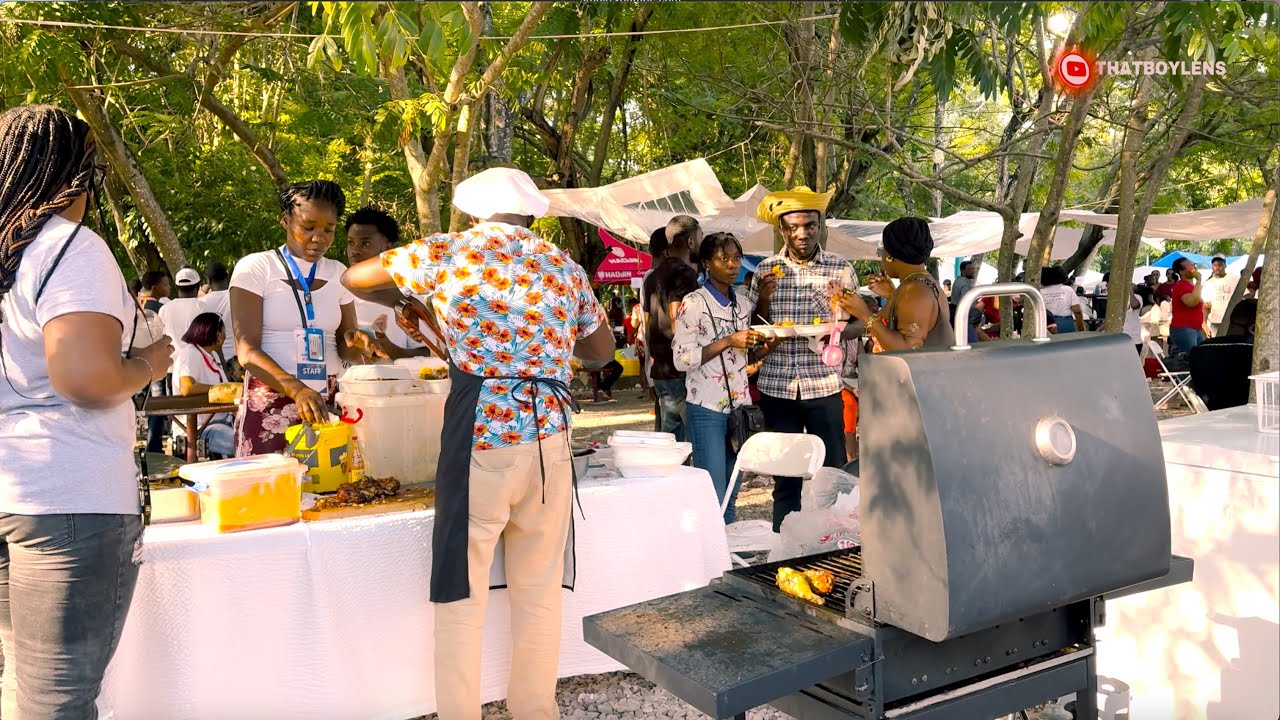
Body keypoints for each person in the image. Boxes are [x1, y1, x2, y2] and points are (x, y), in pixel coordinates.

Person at [341, 166, 614, 720]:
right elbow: (603, 351)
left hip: (480, 437)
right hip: (550, 438)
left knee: (461, 594)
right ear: (531, 213)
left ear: (470, 212)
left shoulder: (449, 252)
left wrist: (423, 295)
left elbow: (355, 278)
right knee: (537, 592)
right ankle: (535, 711)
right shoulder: (563, 265)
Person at [0, 104, 174, 718]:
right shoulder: (68, 247)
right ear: (78, 177)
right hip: (67, 497)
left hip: (12, 490)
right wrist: (153, 359)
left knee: (25, 687)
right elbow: (88, 379)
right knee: (57, 701)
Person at [229, 180, 368, 456]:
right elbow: (246, 351)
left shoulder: (338, 273)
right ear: (285, 221)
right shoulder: (257, 268)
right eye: (308, 227)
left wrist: (360, 343)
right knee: (273, 491)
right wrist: (297, 390)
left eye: (329, 230)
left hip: (326, 402)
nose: (319, 237)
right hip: (272, 399)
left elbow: (346, 347)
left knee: (334, 494)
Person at [748, 187, 855, 532]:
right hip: (778, 387)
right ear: (782, 230)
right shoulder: (766, 269)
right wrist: (764, 301)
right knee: (786, 479)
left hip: (823, 384)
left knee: (834, 473)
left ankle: (836, 543)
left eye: (809, 225)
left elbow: (855, 324)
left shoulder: (840, 269)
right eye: (793, 227)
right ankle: (784, 550)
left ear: (820, 224)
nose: (802, 233)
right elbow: (752, 327)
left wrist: (836, 325)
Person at [673, 232, 775, 524]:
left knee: (731, 493)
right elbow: (681, 360)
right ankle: (709, 561)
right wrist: (729, 340)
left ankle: (725, 561)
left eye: (736, 258)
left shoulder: (741, 303)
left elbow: (747, 351)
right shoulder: (694, 303)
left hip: (740, 408)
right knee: (712, 493)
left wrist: (764, 310)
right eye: (724, 258)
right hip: (706, 408)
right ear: (707, 263)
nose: (732, 265)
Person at [836, 216, 953, 354]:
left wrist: (864, 313)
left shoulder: (916, 292)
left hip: (915, 374)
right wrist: (892, 295)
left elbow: (908, 350)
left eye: (882, 251)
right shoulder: (921, 285)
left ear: (890, 255)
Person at [344, 205, 444, 360]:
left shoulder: (409, 301)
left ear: (388, 249)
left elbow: (429, 352)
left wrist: (387, 347)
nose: (355, 250)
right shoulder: (336, 292)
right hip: (346, 383)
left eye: (365, 244)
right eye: (351, 242)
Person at [643, 215, 701, 442]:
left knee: (669, 436)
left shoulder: (652, 277)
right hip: (680, 369)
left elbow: (647, 326)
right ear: (690, 242)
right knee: (687, 438)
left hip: (660, 368)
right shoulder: (685, 274)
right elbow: (679, 319)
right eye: (699, 237)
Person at [171, 312, 235, 458]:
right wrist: (223, 390)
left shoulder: (213, 356)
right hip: (200, 428)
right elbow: (187, 387)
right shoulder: (190, 353)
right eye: (224, 331)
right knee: (242, 444)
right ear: (217, 333)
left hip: (220, 422)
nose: (225, 336)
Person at [1189, 299, 1257, 411]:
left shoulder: (1200, 350)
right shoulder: (1254, 353)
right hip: (1251, 416)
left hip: (1213, 414)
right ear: (1253, 329)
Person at [200, 261, 238, 374]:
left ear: (208, 280)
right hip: (237, 361)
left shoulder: (201, 303)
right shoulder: (237, 298)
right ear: (227, 276)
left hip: (213, 361)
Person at [158, 267, 207, 350]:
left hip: (173, 361)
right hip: (197, 361)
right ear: (198, 287)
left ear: (176, 287)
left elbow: (161, 339)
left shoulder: (164, 309)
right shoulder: (202, 307)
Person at [1168, 256, 1206, 357]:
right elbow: (1192, 301)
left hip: (1195, 328)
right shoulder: (1181, 285)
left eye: (1193, 265)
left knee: (1202, 356)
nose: (1194, 268)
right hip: (1184, 328)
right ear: (1181, 271)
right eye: (1190, 266)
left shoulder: (1191, 287)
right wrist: (1198, 281)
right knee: (1194, 358)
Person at [1040, 265, 1085, 333]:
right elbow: (1077, 311)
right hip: (1065, 324)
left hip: (1045, 324)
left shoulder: (1041, 292)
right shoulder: (1068, 290)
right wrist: (1081, 328)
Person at [1201, 254, 1236, 337]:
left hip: (1233, 321)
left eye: (1220, 265)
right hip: (1215, 322)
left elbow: (1246, 296)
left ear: (1225, 265)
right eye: (1215, 265)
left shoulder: (1235, 279)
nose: (1217, 267)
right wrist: (1204, 324)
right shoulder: (1208, 284)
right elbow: (1205, 306)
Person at [1121, 284, 1144, 353]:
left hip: (1134, 339)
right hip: (1121, 338)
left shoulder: (1137, 297)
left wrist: (1130, 292)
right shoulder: (1117, 299)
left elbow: (1134, 305)